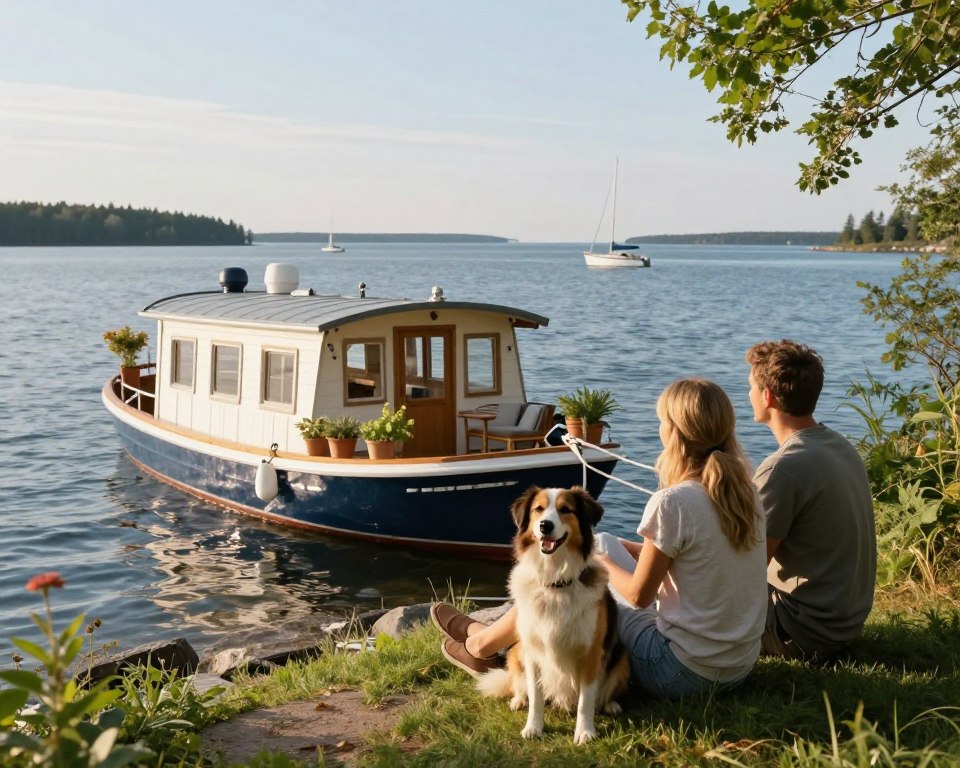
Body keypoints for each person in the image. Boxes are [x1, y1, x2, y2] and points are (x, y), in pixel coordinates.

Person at [434, 378, 768, 699]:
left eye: (662, 421)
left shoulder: (674, 502)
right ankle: (490, 639)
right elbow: (703, 554)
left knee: (582, 578)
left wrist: (600, 561)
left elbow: (639, 596)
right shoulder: (745, 493)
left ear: (675, 434)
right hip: (737, 667)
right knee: (605, 541)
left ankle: (482, 644)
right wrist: (619, 549)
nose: (660, 429)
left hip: (678, 672)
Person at [746, 340, 876, 661]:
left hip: (802, 631)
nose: (747, 394)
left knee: (681, 596)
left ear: (767, 396)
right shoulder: (839, 445)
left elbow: (744, 567)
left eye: (750, 386)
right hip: (844, 622)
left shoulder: (782, 468)